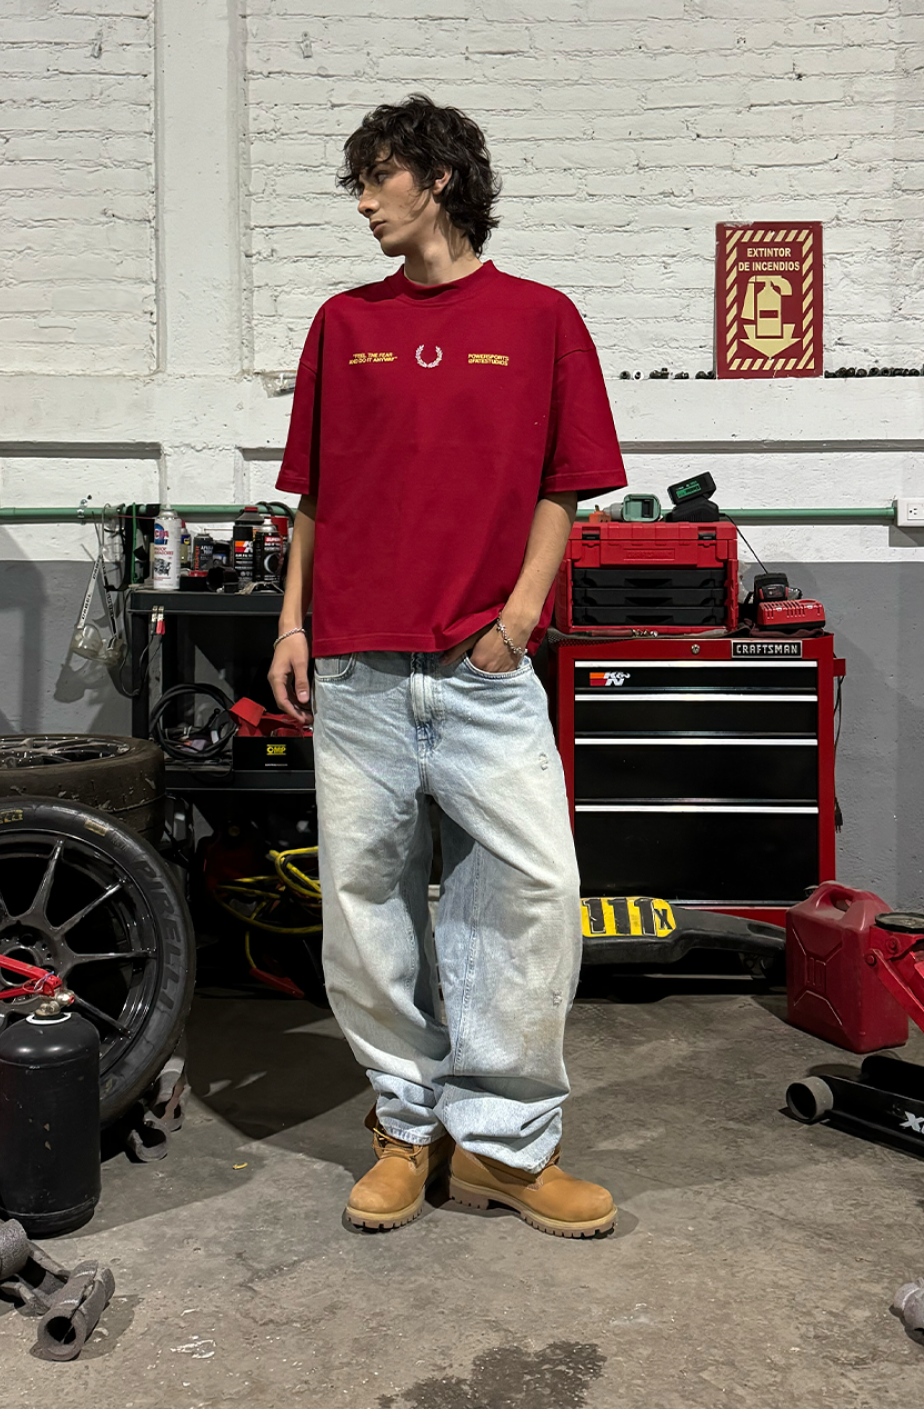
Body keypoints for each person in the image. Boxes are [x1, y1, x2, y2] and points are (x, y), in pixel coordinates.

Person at [269, 94, 626, 1238]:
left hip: (483, 669)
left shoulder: (540, 319)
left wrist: (518, 619)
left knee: (531, 892)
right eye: (358, 183)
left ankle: (503, 1147)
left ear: (437, 179)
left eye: (377, 178)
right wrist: (291, 624)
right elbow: (314, 494)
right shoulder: (344, 324)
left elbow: (565, 483)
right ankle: (405, 1130)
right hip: (359, 670)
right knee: (366, 909)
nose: (362, 202)